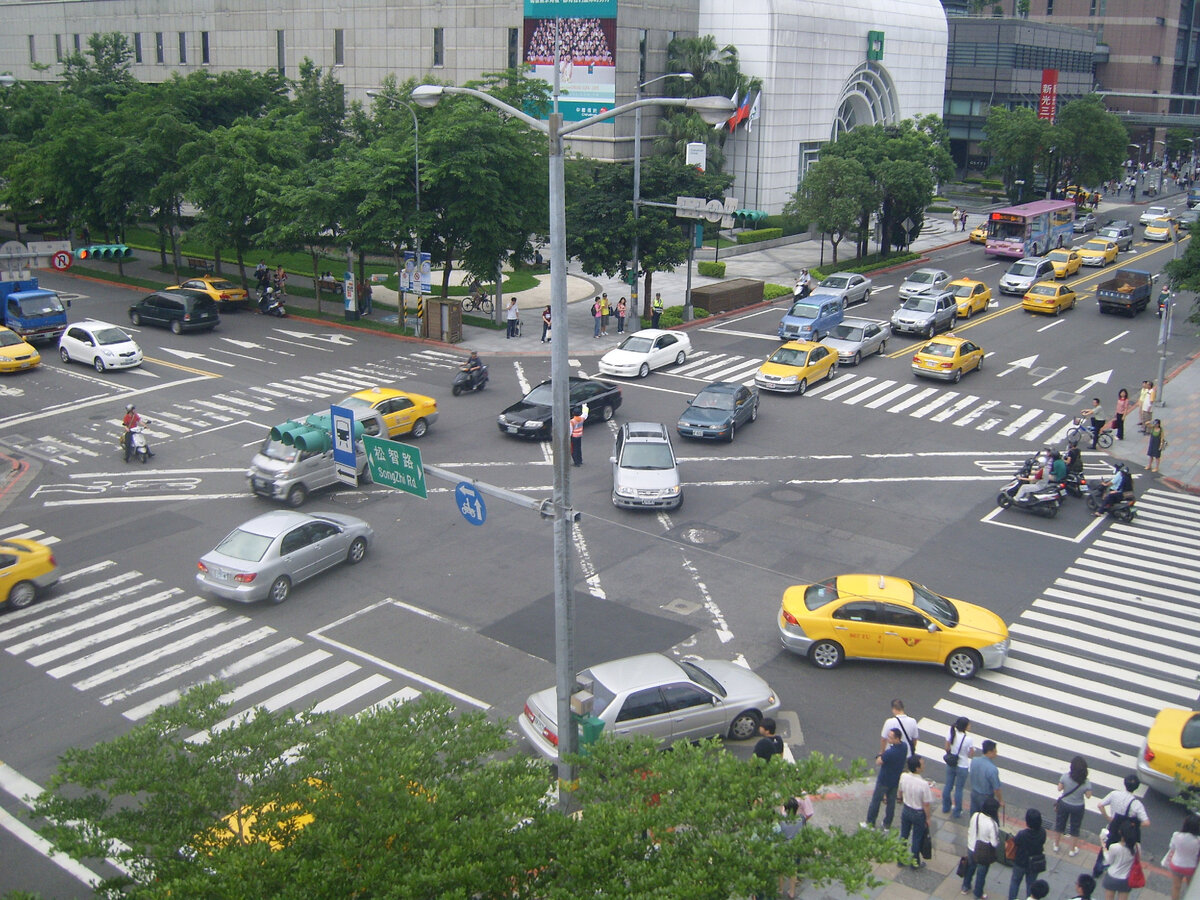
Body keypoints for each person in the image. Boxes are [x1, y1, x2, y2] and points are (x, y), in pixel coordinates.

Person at [864, 727, 907, 830]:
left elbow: (878, 762)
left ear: (897, 739)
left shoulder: (890, 752)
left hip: (884, 780)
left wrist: (880, 755)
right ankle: (887, 824)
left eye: (890, 737)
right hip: (895, 779)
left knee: (876, 801)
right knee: (891, 803)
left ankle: (870, 823)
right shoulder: (904, 747)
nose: (888, 739)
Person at [1052, 755, 1092, 858]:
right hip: (1078, 806)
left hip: (1064, 804)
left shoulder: (1065, 776)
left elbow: (1059, 789)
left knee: (1060, 825)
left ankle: (1056, 845)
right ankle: (1072, 849)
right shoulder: (1086, 782)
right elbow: (1088, 796)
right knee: (1075, 828)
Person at [897, 755, 932, 869]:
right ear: (917, 768)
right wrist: (928, 818)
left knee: (904, 835)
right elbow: (926, 804)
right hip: (918, 813)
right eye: (922, 764)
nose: (924, 766)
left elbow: (900, 791)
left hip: (906, 809)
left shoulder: (904, 776)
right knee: (916, 838)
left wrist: (900, 798)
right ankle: (914, 862)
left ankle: (900, 858)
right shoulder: (923, 784)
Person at [963, 797, 1001, 900]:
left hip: (971, 846)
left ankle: (965, 886)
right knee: (981, 873)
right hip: (983, 852)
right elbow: (994, 843)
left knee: (970, 867)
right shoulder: (993, 824)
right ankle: (978, 893)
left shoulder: (976, 815)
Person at [1007, 807, 1047, 900]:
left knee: (1015, 881)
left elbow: (1015, 842)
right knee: (1031, 884)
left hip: (1020, 861)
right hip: (1035, 862)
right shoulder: (1042, 832)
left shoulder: (1022, 834)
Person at [942, 716, 974, 818]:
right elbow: (970, 755)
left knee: (948, 786)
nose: (970, 726)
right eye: (969, 724)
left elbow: (946, 747)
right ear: (964, 727)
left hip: (951, 764)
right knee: (959, 789)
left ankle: (946, 807)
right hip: (962, 765)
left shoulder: (951, 733)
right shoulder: (968, 739)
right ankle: (957, 811)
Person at [1102, 821, 1140, 900]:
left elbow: (1109, 861)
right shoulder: (1137, 847)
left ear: (1120, 832)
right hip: (1126, 879)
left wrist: (1104, 848)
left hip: (1112, 876)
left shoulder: (1114, 847)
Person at [1166, 813, 1200, 900]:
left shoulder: (1176, 835)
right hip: (1191, 868)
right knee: (1191, 888)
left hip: (1176, 865)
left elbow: (1172, 847)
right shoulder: (1198, 840)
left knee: (1176, 887)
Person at [969, 740, 1002, 814]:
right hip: (986, 797)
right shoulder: (992, 769)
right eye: (995, 751)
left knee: (974, 816)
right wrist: (1000, 800)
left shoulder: (974, 760)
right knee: (987, 817)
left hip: (974, 793)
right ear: (990, 752)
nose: (996, 752)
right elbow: (996, 788)